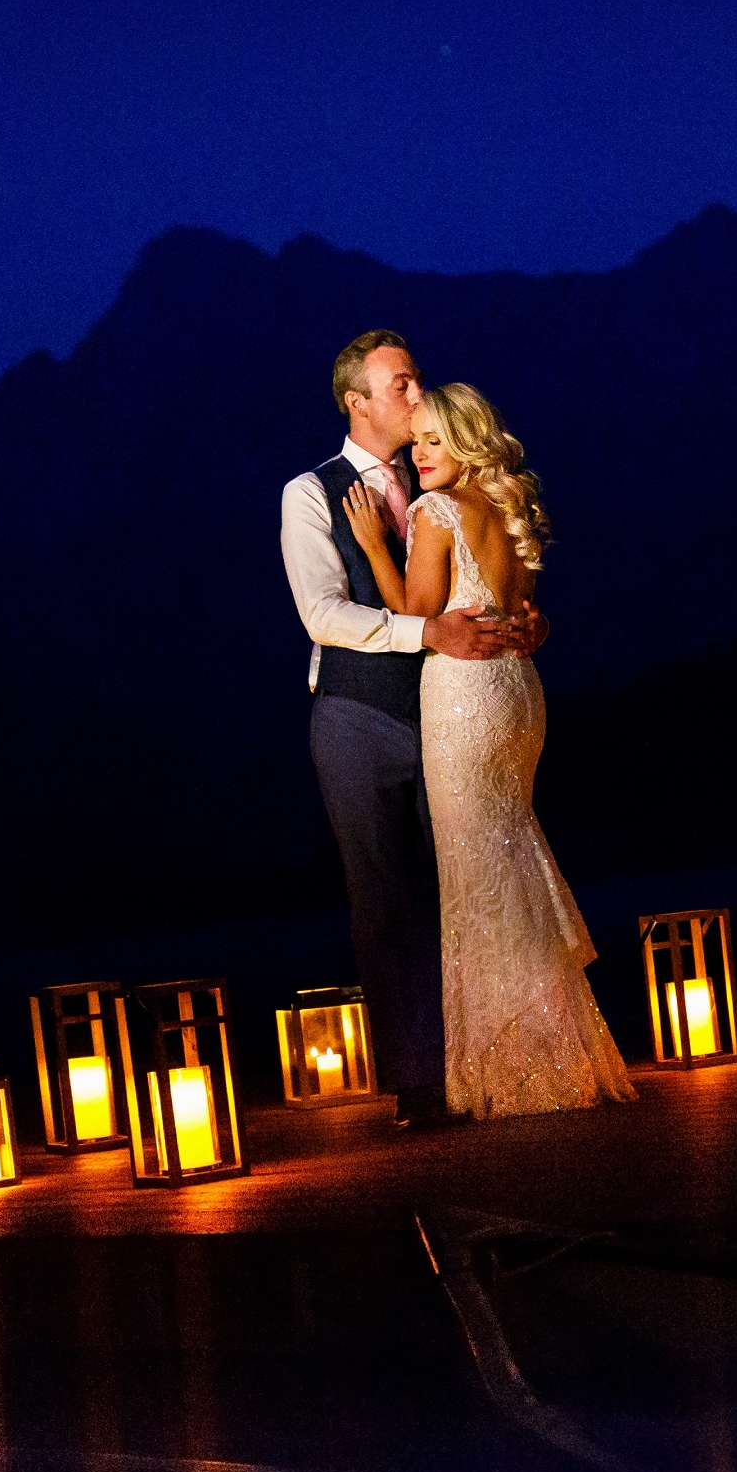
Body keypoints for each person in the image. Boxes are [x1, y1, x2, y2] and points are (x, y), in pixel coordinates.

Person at [345, 383, 636, 1119]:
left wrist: (377, 544)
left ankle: (520, 1069)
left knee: (478, 880)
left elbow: (415, 611)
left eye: (435, 442)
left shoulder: (433, 512)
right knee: (512, 861)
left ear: (469, 442)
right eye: (416, 446)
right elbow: (527, 612)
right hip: (520, 695)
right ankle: (556, 1050)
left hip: (465, 698)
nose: (421, 455)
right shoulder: (509, 511)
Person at [277, 331, 542, 1126]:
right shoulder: (309, 492)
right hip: (357, 713)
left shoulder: (441, 476)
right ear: (356, 402)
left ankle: (486, 1057)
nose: (415, 392)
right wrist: (424, 635)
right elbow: (322, 613)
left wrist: (519, 619)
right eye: (400, 383)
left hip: (449, 710)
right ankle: (418, 1081)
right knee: (381, 896)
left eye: (417, 379)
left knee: (461, 881)